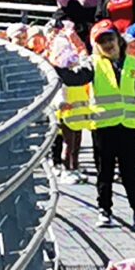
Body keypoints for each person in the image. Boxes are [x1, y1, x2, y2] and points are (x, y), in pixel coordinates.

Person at [87, 26, 135, 228]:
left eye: (110, 39)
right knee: (104, 172)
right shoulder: (92, 63)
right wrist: (61, 65)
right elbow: (75, 77)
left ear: (118, 40)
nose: (107, 44)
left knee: (131, 172)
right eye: (102, 41)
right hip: (104, 125)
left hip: (129, 125)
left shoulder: (132, 63)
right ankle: (104, 210)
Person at [49, 20, 94, 176]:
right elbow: (58, 89)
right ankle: (67, 169)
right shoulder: (59, 72)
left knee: (76, 143)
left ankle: (74, 166)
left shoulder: (77, 70)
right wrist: (60, 103)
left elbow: (83, 59)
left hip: (79, 111)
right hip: (66, 111)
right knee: (68, 142)